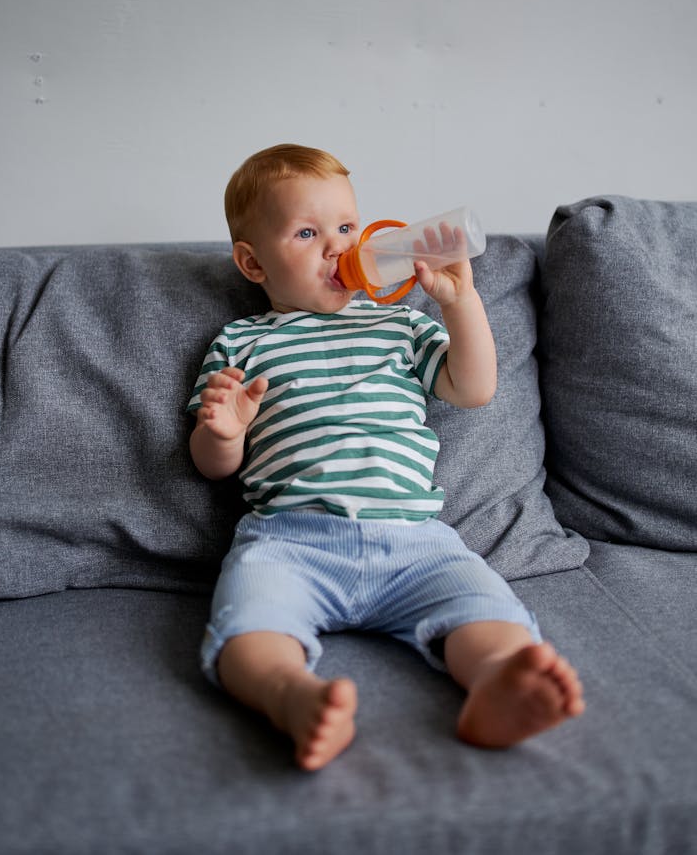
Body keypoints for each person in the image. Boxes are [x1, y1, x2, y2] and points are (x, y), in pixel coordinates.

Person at [187, 143, 585, 771]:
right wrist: (224, 429)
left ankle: (499, 683)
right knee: (248, 630)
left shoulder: (396, 324)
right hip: (290, 540)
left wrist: (459, 303)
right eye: (308, 232)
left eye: (346, 227)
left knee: (486, 609)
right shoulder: (240, 342)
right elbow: (214, 466)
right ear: (253, 262)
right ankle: (290, 695)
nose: (337, 248)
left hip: (414, 541)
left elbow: (473, 387)